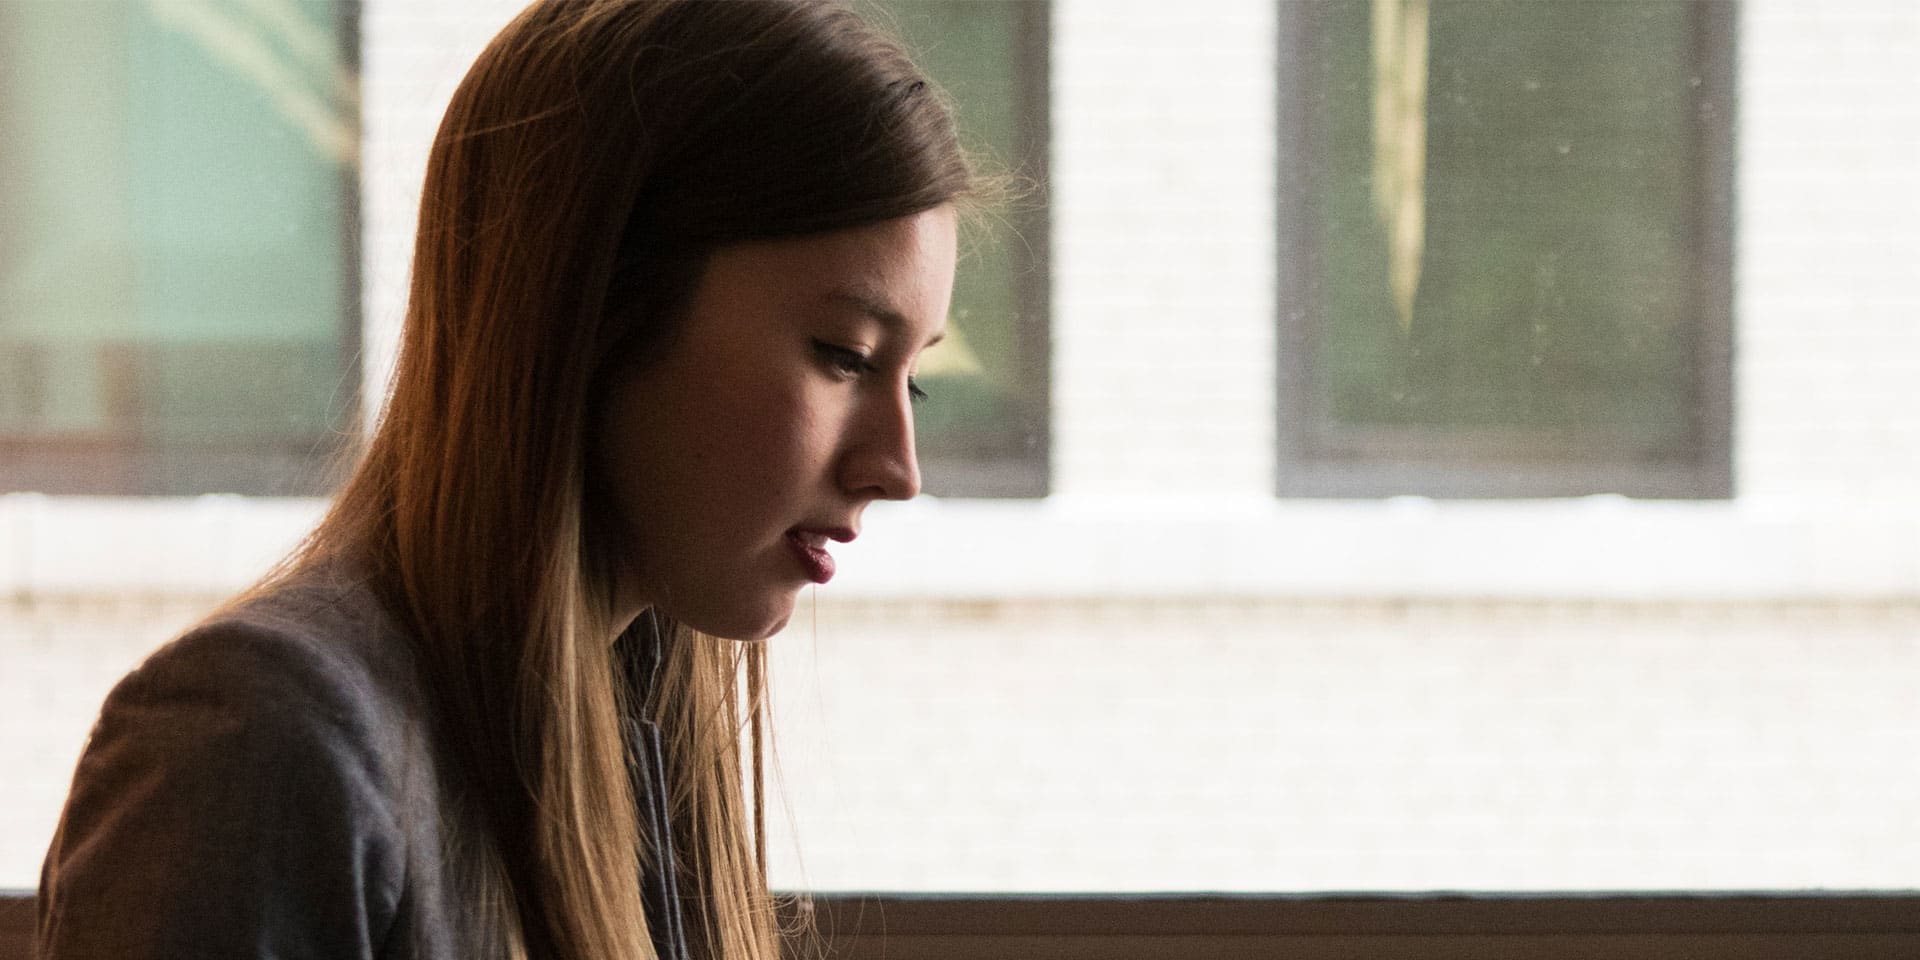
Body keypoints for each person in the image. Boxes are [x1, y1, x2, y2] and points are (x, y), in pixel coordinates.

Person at [36, 1, 975, 957]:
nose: (897, 469)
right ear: (598, 305)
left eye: (918, 382)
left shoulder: (638, 761)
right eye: (844, 355)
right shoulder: (255, 749)